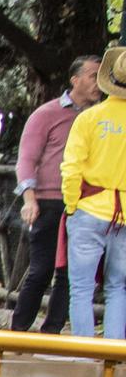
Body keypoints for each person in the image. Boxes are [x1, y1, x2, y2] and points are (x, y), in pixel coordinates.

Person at [11, 55, 102, 333]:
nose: (98, 83)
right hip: (50, 201)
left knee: (70, 274)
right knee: (41, 270)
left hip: (86, 205)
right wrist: (29, 198)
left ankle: (51, 332)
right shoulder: (47, 114)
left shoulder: (101, 117)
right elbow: (26, 159)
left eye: (101, 76)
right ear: (75, 80)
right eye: (92, 76)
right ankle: (18, 332)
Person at [62, 46, 126, 340]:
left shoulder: (88, 119)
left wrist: (72, 205)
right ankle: (112, 353)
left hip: (88, 211)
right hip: (124, 215)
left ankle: (84, 354)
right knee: (118, 287)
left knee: (82, 288)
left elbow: (71, 167)